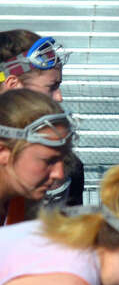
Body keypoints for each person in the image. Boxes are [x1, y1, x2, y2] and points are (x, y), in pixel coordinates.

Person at [0, 89, 73, 226]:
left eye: (63, 159)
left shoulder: (19, 199)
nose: (59, 173)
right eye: (48, 161)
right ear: (3, 152)